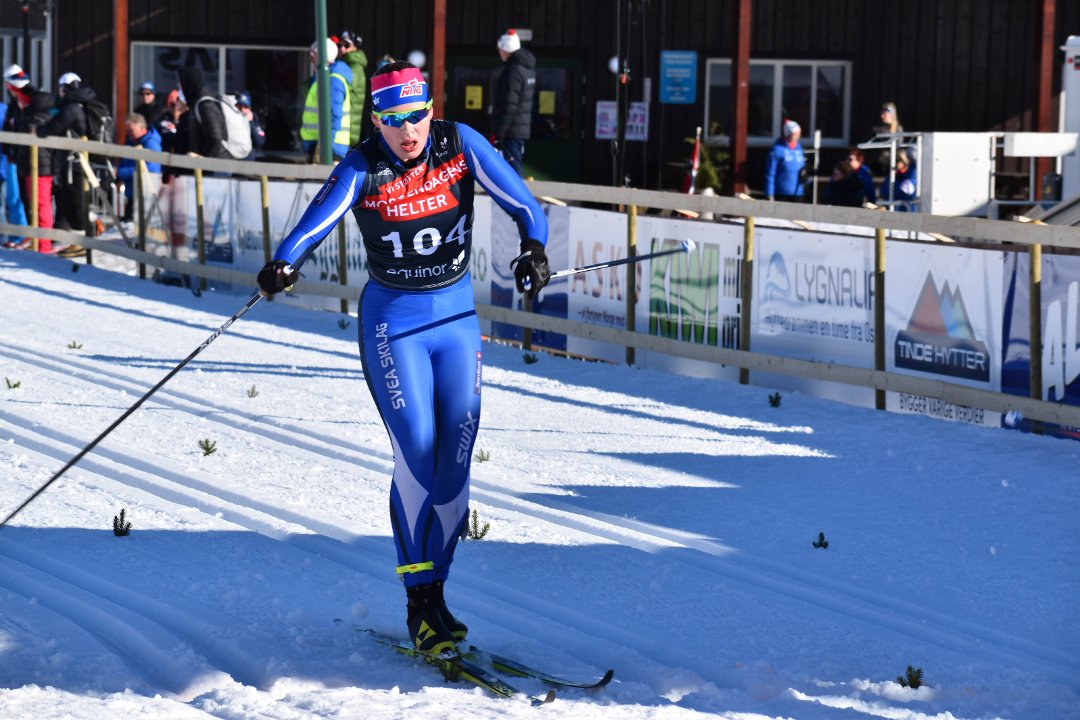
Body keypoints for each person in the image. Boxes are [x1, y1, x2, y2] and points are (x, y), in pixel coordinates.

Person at [257, 61, 550, 657]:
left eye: (416, 115)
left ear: (429, 107)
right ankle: (419, 602)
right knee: (417, 446)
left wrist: (534, 250)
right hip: (395, 323)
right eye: (392, 120)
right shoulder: (364, 165)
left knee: (457, 455)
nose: (408, 130)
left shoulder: (458, 146)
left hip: (455, 319)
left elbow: (524, 204)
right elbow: (317, 220)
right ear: (376, 121)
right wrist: (284, 263)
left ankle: (438, 593)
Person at [38, 71, 98, 232]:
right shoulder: (83, 105)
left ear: (64, 89)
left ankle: (79, 241)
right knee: (76, 200)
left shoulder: (70, 109)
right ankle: (77, 236)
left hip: (73, 163)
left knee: (75, 202)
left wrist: (37, 129)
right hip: (81, 161)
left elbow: (51, 129)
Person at [13, 80, 57, 252]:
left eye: (21, 99)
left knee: (42, 205)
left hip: (40, 166)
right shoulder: (33, 115)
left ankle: (44, 245)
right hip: (32, 165)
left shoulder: (38, 118)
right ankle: (37, 240)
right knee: (35, 205)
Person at [299, 37, 353, 162]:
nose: (310, 58)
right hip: (322, 146)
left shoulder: (333, 80)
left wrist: (325, 145)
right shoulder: (325, 78)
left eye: (313, 54)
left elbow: (334, 113)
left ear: (322, 56)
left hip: (329, 149)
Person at [492, 28, 536, 176]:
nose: (499, 53)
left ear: (506, 50)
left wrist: (500, 134)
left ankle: (515, 199)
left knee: (511, 169)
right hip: (519, 129)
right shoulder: (527, 69)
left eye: (501, 50)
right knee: (514, 164)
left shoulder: (513, 71)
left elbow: (509, 105)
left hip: (511, 130)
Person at [0, 64, 31, 246]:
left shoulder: (9, 108)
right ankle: (16, 235)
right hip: (8, 158)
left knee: (14, 198)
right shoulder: (9, 107)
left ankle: (19, 235)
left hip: (9, 160)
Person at [116, 113, 162, 222]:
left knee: (136, 225)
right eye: (127, 130)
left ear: (142, 128)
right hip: (132, 191)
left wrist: (122, 172)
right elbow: (124, 159)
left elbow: (151, 167)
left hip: (145, 192)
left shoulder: (151, 143)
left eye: (131, 130)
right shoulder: (131, 141)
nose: (128, 133)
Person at [177, 66, 229, 160]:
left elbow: (215, 137)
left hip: (215, 168)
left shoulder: (205, 105)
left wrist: (206, 162)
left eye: (181, 83)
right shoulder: (195, 104)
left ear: (189, 83)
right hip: (204, 167)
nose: (180, 88)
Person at [337, 30, 368, 146]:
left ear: (356, 48)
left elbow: (340, 89)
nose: (342, 49)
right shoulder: (346, 64)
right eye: (340, 45)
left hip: (347, 128)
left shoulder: (354, 67)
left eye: (347, 45)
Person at [764, 119, 806, 202]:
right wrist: (769, 193)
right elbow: (770, 173)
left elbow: (802, 167)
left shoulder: (799, 148)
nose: (799, 136)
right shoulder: (777, 149)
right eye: (796, 133)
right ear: (790, 134)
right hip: (782, 193)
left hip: (798, 192)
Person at [234, 90, 265, 160]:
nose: (242, 110)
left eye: (245, 107)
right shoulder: (232, 118)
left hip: (248, 160)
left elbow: (259, 142)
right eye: (239, 107)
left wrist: (250, 123)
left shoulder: (253, 119)